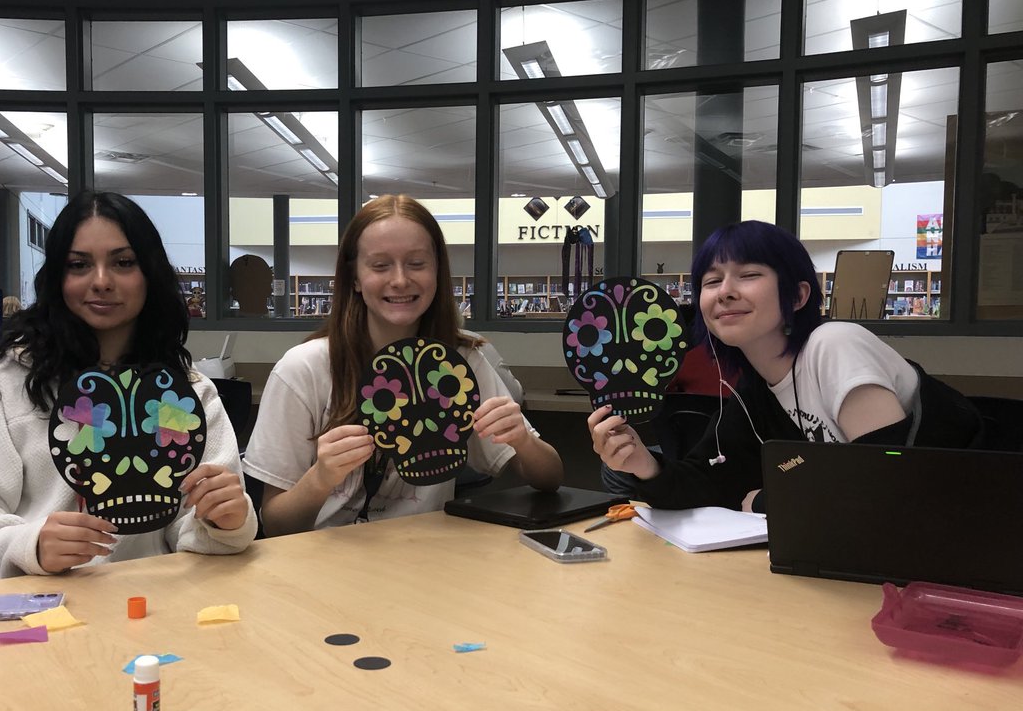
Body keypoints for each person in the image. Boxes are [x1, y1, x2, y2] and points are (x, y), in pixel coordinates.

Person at [0, 191, 258, 711]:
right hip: (21, 639)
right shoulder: (4, 380)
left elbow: (204, 537)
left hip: (146, 639)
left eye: (123, 262)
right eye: (79, 264)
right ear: (58, 276)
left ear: (150, 275)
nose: (101, 281)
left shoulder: (187, 391)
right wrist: (27, 544)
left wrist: (225, 521)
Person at [588, 220, 982, 513]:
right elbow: (707, 483)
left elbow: (888, 484)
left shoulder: (834, 345)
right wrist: (643, 464)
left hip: (972, 539)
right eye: (711, 281)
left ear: (796, 295)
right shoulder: (756, 389)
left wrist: (767, 501)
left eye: (749, 275)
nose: (725, 292)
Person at [243, 194, 563, 537]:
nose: (399, 280)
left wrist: (522, 441)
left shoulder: (460, 363)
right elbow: (276, 525)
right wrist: (320, 478)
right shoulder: (303, 370)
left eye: (417, 263)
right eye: (380, 265)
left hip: (425, 554)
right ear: (354, 278)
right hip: (324, 558)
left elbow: (550, 478)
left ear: (437, 271)